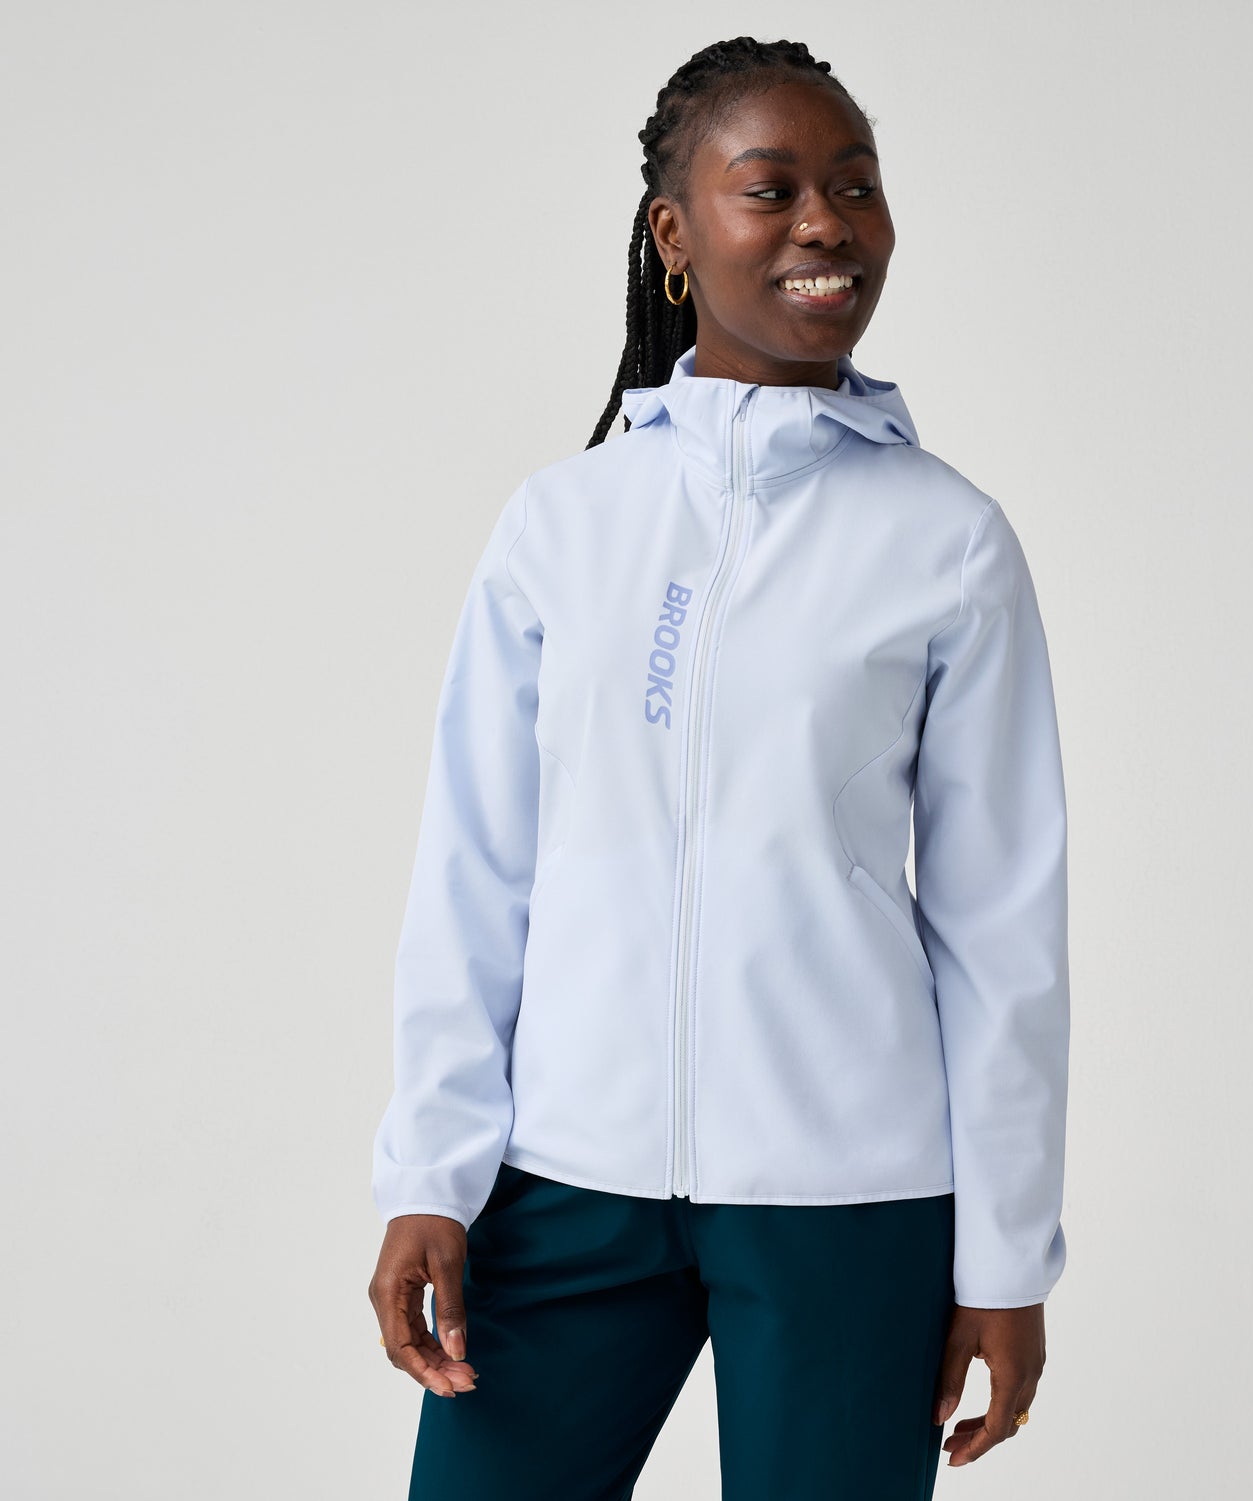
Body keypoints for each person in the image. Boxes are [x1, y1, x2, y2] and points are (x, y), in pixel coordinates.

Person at [368, 36, 1071, 1501]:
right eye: (773, 189)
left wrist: (1007, 1253)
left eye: (856, 187)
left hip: (849, 1192)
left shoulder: (948, 541)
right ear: (674, 234)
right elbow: (476, 868)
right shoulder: (563, 523)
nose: (827, 224)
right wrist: (433, 1171)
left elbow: (1003, 920)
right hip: (568, 1176)